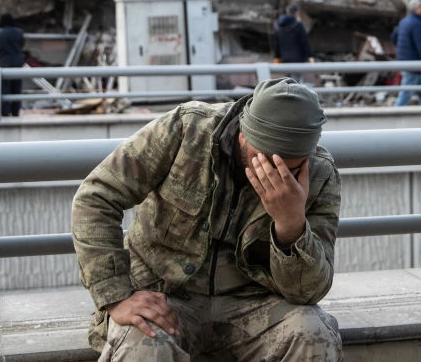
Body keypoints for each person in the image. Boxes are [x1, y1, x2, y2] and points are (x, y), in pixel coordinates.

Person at [71, 78, 342, 361]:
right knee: (143, 346)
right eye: (263, 160)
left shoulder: (320, 174)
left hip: (254, 302)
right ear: (242, 134)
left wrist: (290, 225)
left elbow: (308, 292)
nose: (275, 174)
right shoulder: (187, 130)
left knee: (313, 334)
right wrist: (116, 296)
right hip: (166, 294)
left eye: (291, 168)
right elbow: (96, 196)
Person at [391, 0, 421, 106]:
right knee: (406, 94)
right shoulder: (418, 25)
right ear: (417, 8)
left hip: (404, 61)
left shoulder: (404, 21)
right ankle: (394, 115)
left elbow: (394, 37)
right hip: (413, 63)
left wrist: (403, 50)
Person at [0, 12, 25, 117]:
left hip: (3, 64)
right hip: (17, 64)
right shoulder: (19, 32)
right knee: (16, 88)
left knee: (4, 89)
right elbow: (21, 45)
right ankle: (16, 111)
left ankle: (5, 111)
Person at [272, 4, 315, 82]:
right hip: (297, 60)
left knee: (284, 83)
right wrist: (310, 56)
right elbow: (304, 42)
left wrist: (277, 57)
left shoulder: (278, 26)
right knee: (296, 83)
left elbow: (276, 44)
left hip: (284, 59)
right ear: (296, 13)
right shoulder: (298, 25)